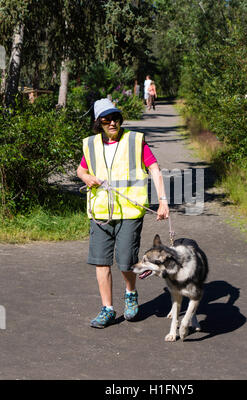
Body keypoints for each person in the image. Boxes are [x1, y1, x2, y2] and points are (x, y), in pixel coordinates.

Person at [77, 98, 169, 329]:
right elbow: (81, 168)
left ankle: (130, 294)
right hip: (100, 211)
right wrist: (86, 177)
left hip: (130, 211)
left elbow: (154, 169)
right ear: (99, 122)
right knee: (101, 262)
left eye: (115, 118)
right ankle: (107, 309)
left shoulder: (134, 141)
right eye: (106, 119)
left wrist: (163, 201)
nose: (112, 123)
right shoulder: (91, 144)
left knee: (126, 259)